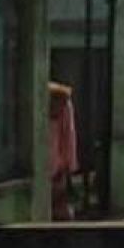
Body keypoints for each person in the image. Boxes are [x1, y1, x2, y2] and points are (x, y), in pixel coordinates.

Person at [47, 81, 78, 221]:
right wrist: (69, 165)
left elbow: (68, 136)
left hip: (53, 164)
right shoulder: (63, 101)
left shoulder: (61, 100)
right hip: (56, 164)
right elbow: (68, 136)